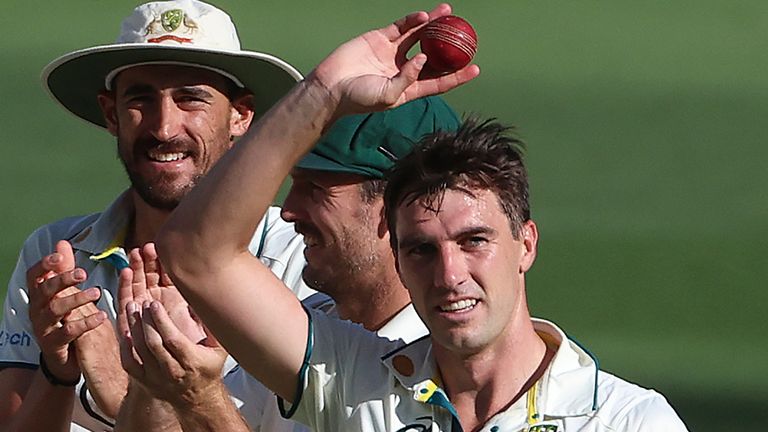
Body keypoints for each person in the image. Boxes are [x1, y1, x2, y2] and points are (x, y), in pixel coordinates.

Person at [130, 3, 687, 431]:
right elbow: (196, 254)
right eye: (421, 249)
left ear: (527, 244)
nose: (449, 275)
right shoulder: (357, 378)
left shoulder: (627, 420)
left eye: (475, 241)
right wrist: (321, 95)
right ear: (395, 251)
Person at [0, 0, 310, 431]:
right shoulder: (55, 254)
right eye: (141, 98)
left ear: (240, 114)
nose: (164, 128)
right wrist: (58, 373)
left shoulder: (300, 257)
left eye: (191, 99)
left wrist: (124, 393)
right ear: (111, 114)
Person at [115, 96, 458, 431]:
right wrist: (161, 374)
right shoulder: (306, 328)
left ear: (397, 211)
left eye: (316, 189)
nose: (289, 210)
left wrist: (201, 399)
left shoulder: (448, 357)